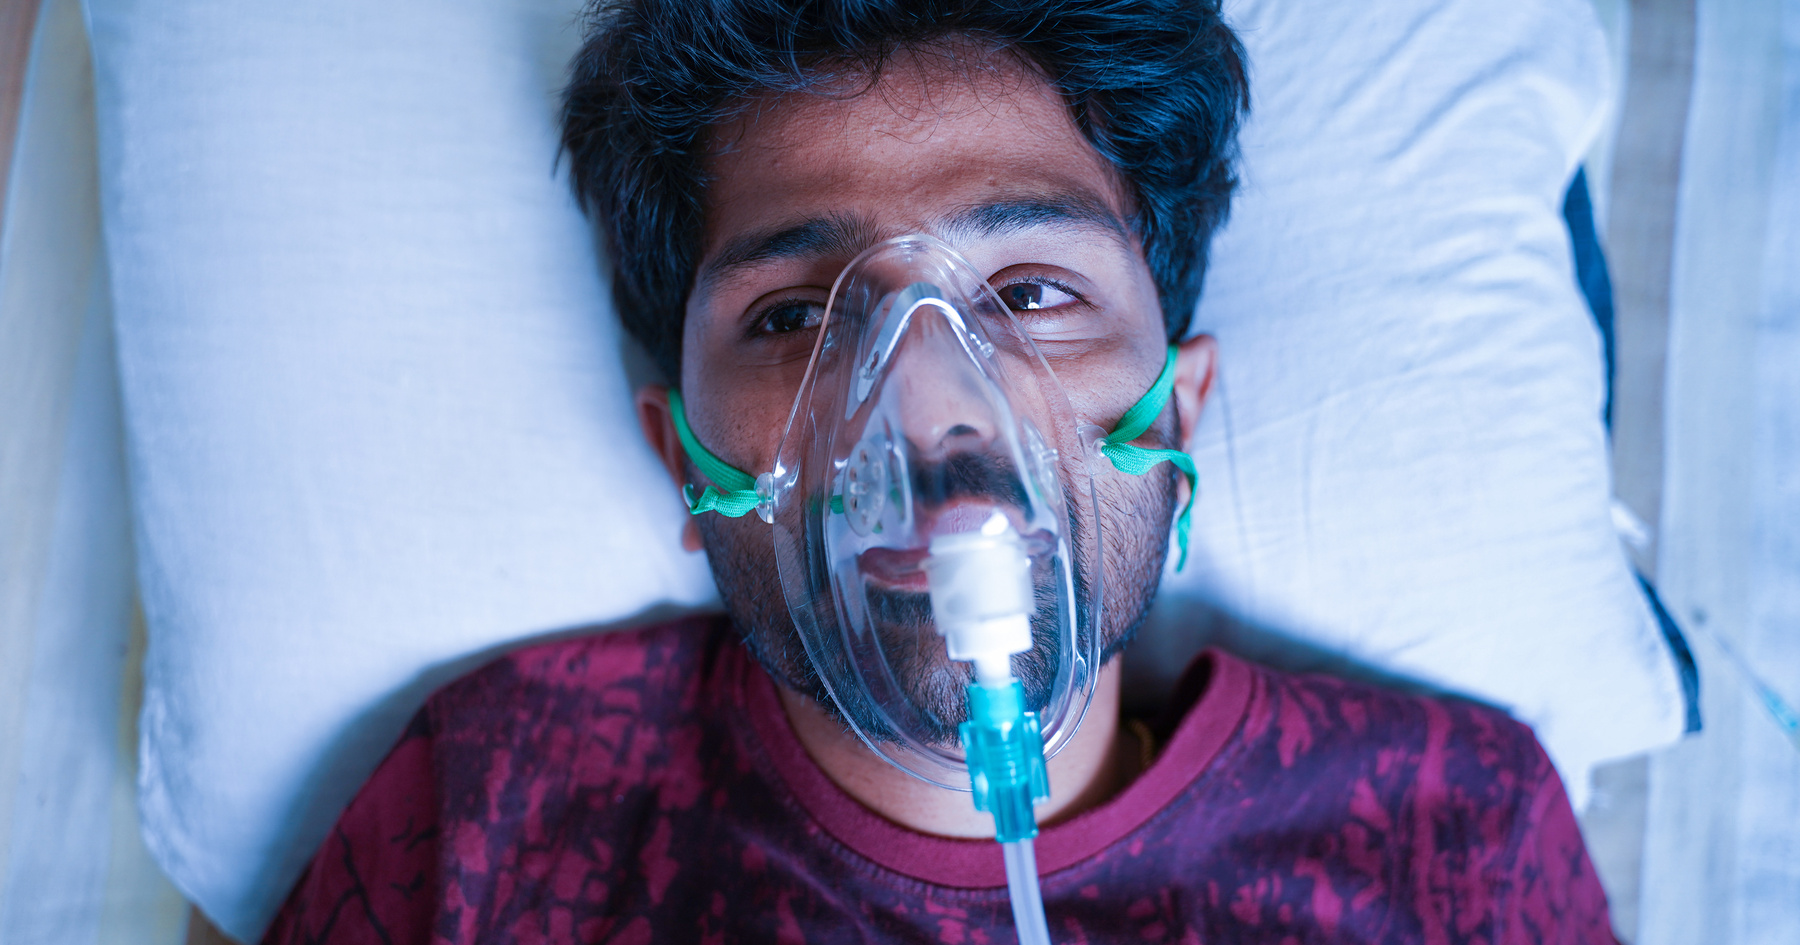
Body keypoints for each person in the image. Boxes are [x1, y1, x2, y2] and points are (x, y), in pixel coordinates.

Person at [262, 1, 1619, 942]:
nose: (928, 408)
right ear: (686, 458)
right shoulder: (498, 806)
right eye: (795, 314)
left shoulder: (1451, 835)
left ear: (1180, 414)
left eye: (1030, 294)